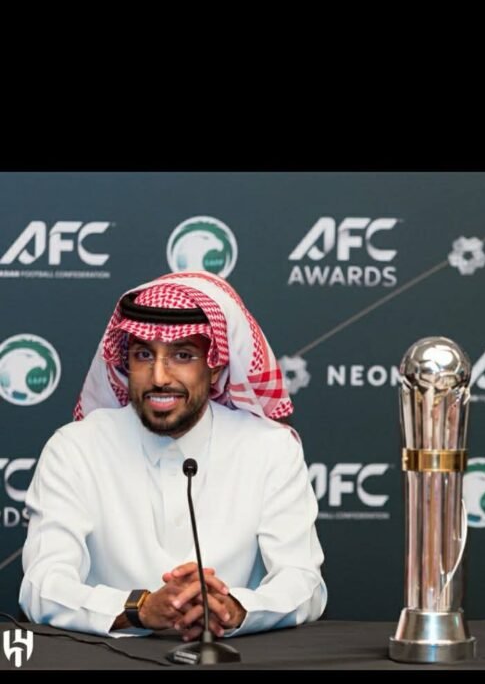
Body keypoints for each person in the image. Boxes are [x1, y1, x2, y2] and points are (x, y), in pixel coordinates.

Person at [19, 272, 327, 641]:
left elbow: (303, 582)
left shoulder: (270, 448)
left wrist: (234, 609)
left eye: (182, 355)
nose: (159, 377)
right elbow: (42, 584)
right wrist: (138, 609)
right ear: (125, 363)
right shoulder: (76, 448)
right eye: (143, 355)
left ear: (215, 364)